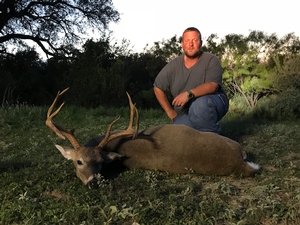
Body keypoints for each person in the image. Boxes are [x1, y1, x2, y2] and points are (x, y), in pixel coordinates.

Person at [153, 27, 229, 134]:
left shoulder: (211, 60)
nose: (191, 44)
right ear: (182, 44)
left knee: (199, 105)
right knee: (177, 133)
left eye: (195, 40)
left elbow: (213, 85)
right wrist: (170, 111)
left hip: (213, 102)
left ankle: (213, 142)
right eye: (187, 41)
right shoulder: (173, 65)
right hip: (186, 113)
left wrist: (188, 94)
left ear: (201, 43)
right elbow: (157, 87)